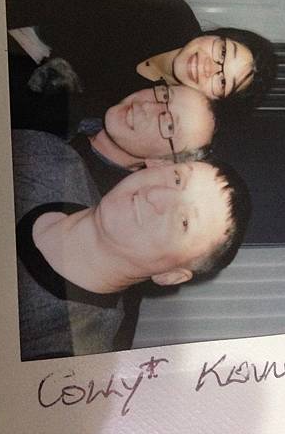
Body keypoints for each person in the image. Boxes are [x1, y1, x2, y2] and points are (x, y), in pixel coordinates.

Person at [4, 0, 276, 129]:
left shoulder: (162, 106)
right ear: (217, 35)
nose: (209, 66)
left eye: (222, 81)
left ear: (214, 102)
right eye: (223, 51)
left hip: (47, 39)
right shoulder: (170, 15)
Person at [13, 129, 250, 360]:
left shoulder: (70, 359)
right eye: (177, 179)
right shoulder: (51, 156)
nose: (155, 195)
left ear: (170, 275)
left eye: (184, 222)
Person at [70, 81, 216, 195]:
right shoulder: (81, 92)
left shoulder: (84, 197)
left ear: (161, 162)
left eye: (169, 125)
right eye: (165, 96)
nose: (147, 106)